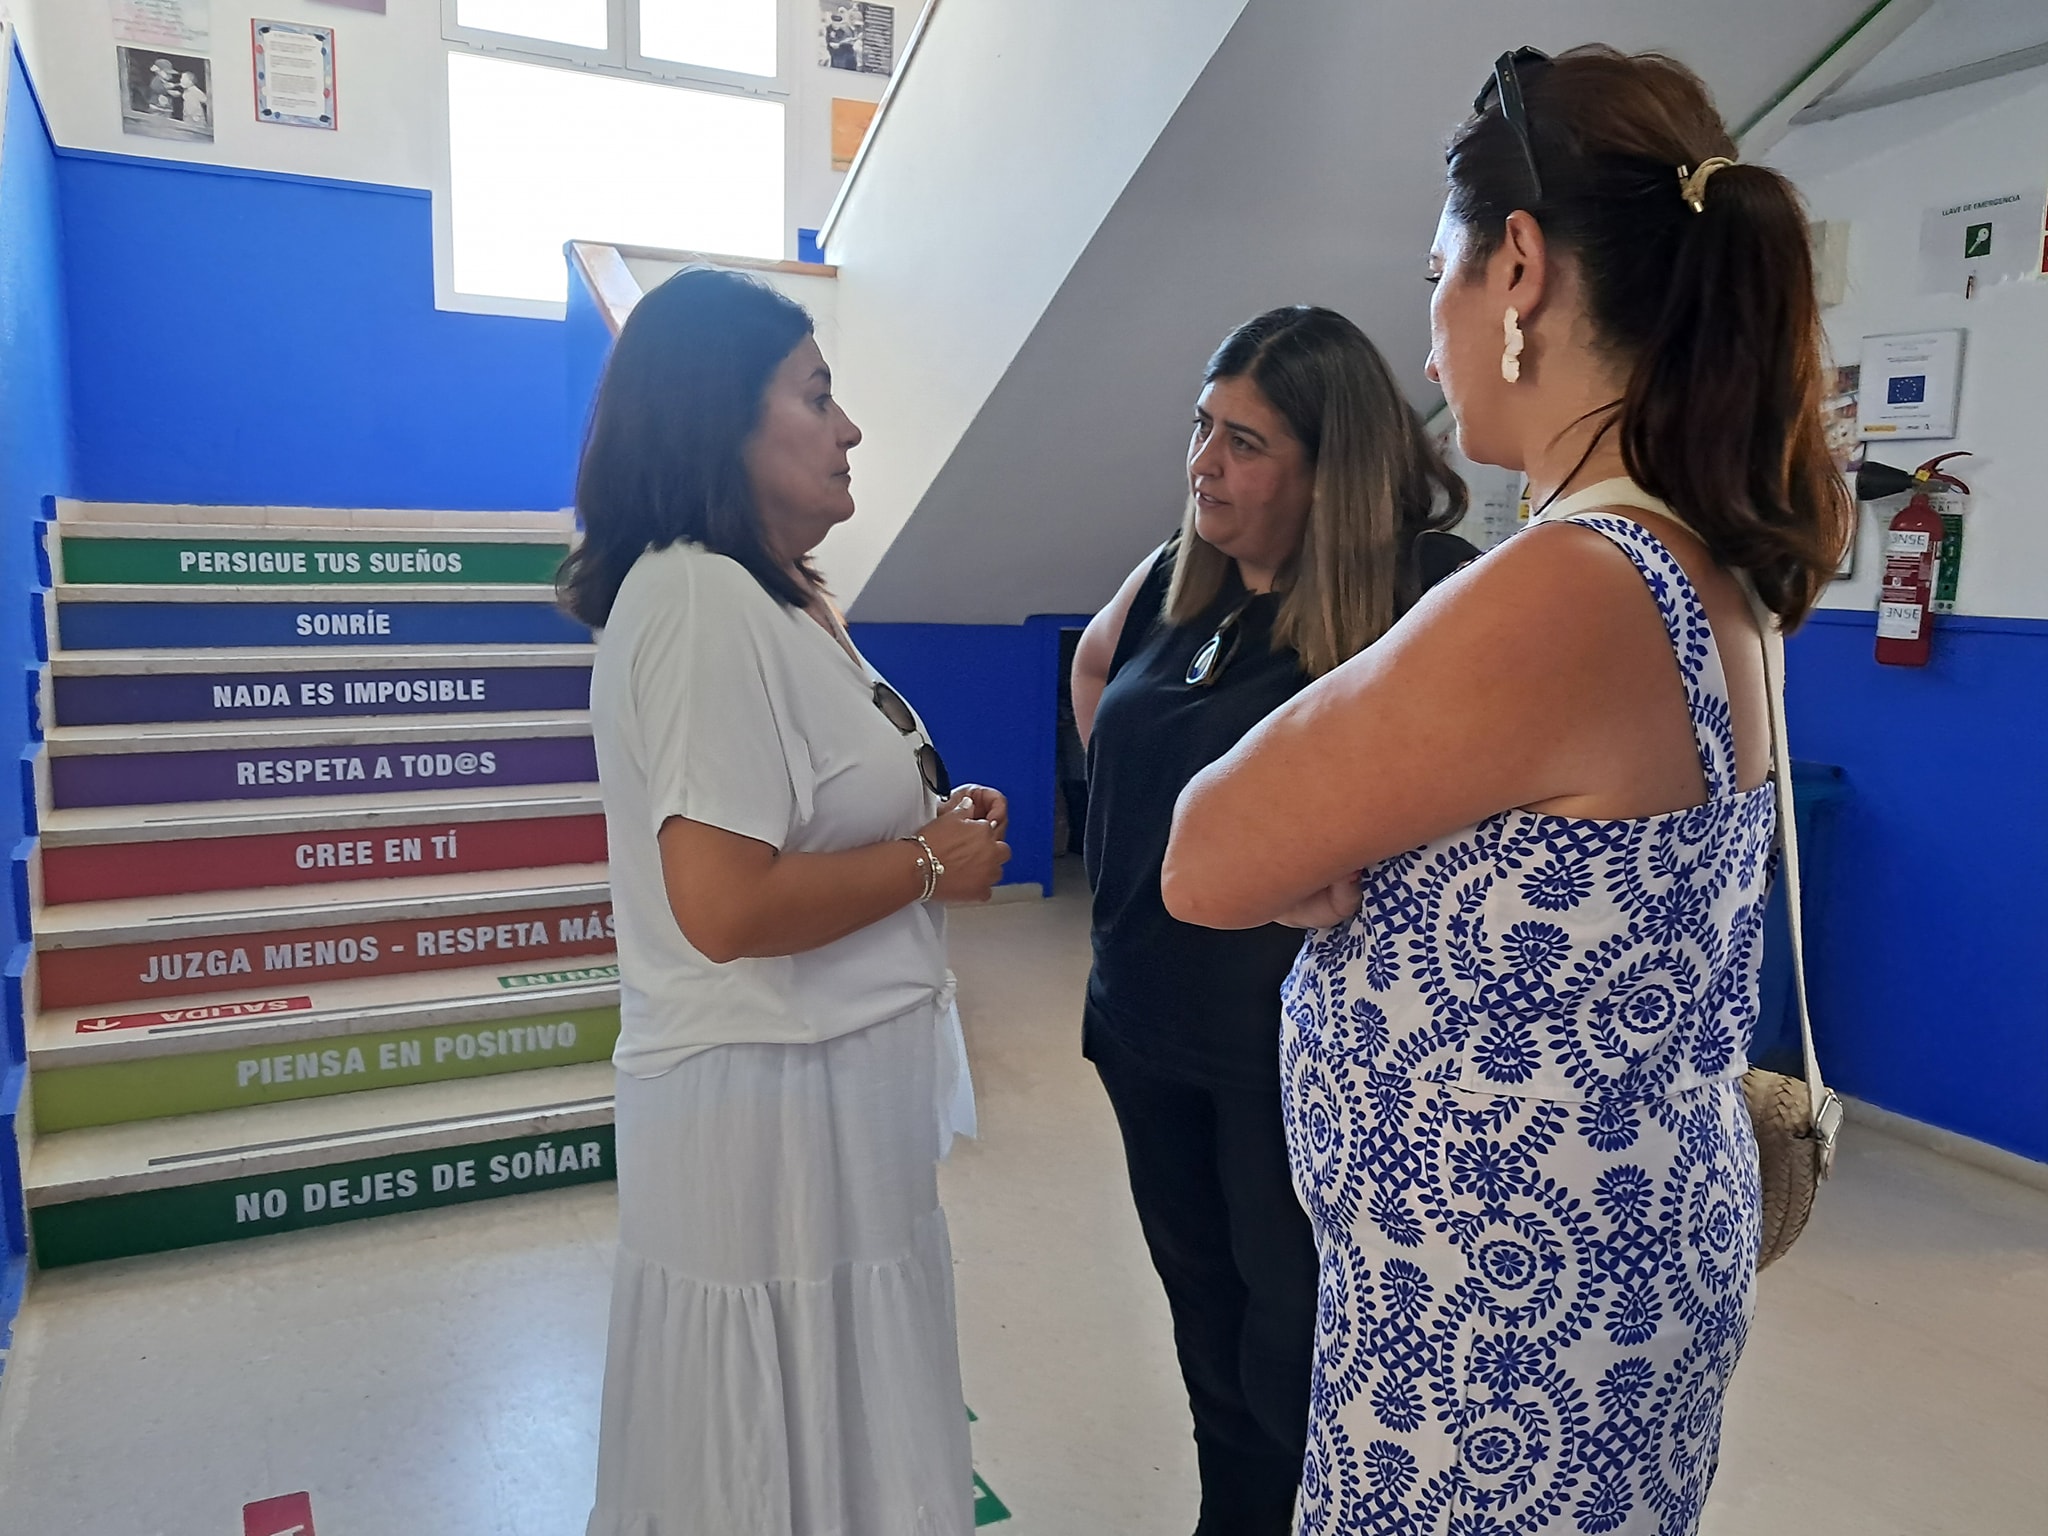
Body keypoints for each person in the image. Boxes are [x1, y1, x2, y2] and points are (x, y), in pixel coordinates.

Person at [1162, 46, 1851, 1536]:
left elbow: (1204, 854)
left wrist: (1331, 863)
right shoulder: (1700, 563)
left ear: (1519, 267)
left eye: (1441, 279)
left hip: (1494, 1344)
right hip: (1589, 1288)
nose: (1430, 345)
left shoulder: (1566, 586)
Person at [568, 266, 1011, 1536]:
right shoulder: (698, 598)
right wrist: (924, 863)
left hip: (823, 1088)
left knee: (831, 1432)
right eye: (816, 397)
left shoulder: (776, 593)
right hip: (765, 1109)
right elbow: (721, 903)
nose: (848, 427)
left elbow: (810, 806)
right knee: (766, 1456)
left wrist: (929, 827)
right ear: (720, 419)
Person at [1071, 306, 1476, 1536]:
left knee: (1297, 1355)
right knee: (1204, 1325)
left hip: (1295, 1063)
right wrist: (1156, 830)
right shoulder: (1176, 575)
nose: (1204, 464)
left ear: (1328, 468)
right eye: (1202, 427)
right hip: (1141, 1028)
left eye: (1243, 443)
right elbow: (1094, 674)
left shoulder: (1421, 591)